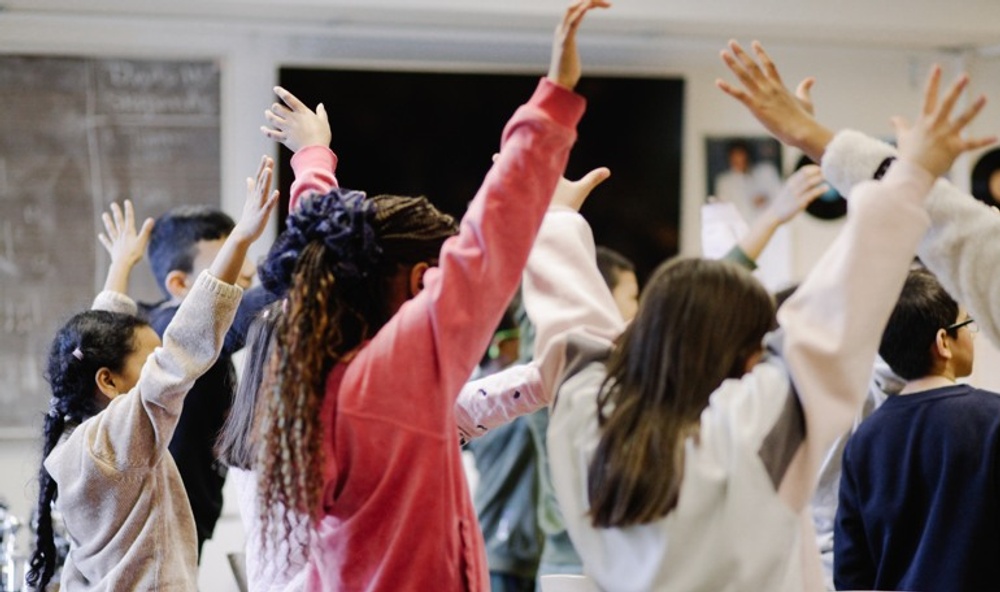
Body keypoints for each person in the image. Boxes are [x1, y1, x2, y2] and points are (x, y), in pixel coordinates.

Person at [525, 57, 988, 591]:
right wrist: (907, 180)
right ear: (747, 354)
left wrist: (554, 225)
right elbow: (829, 326)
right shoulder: (744, 435)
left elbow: (570, 331)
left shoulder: (587, 424)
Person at [243, 3, 605, 590]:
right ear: (418, 282)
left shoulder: (323, 375)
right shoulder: (391, 373)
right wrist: (553, 103)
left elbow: (324, 243)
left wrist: (313, 157)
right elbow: (488, 242)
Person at [24, 159, 279, 591]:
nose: (159, 364)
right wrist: (240, 240)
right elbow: (183, 346)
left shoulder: (81, 433)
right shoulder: (121, 437)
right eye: (150, 360)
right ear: (108, 382)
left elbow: (97, 339)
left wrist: (121, 266)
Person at [834, 268, 997, 590]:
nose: (971, 335)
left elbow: (852, 572)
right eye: (966, 324)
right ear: (943, 342)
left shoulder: (864, 441)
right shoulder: (993, 419)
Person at [143, 204, 277, 559]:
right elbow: (255, 309)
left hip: (188, 516)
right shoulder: (167, 329)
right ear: (180, 283)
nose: (247, 271)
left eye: (243, 253)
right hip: (162, 524)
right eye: (231, 259)